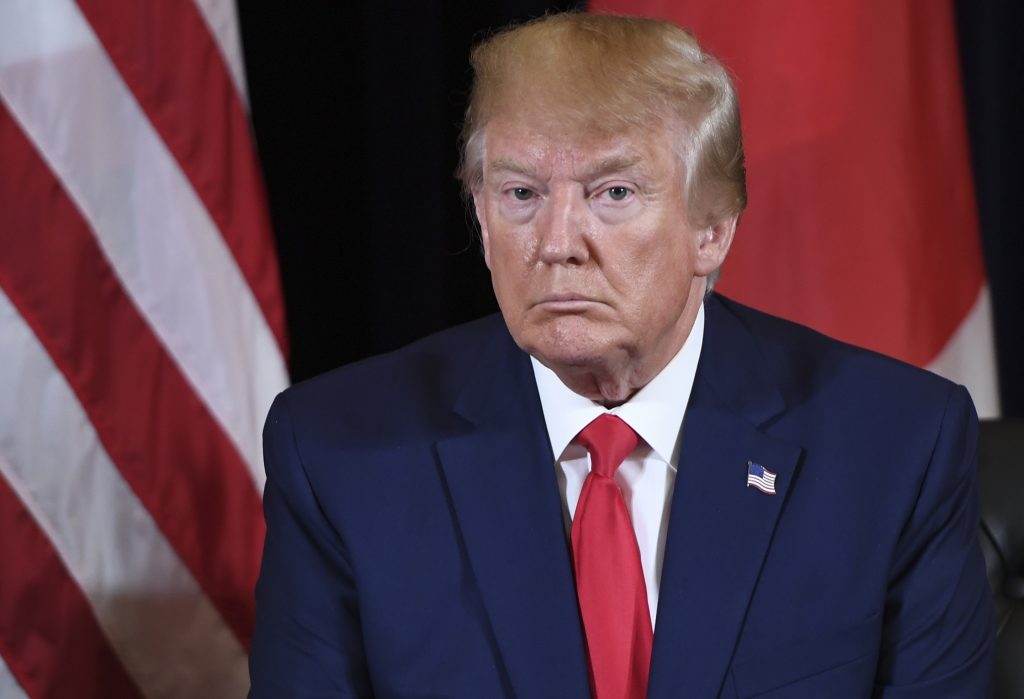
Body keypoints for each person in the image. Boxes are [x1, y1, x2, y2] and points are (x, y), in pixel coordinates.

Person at [248, 12, 994, 698]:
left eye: (612, 192)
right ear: (479, 215)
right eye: (520, 193)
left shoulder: (895, 449)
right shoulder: (337, 455)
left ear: (712, 230)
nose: (558, 242)